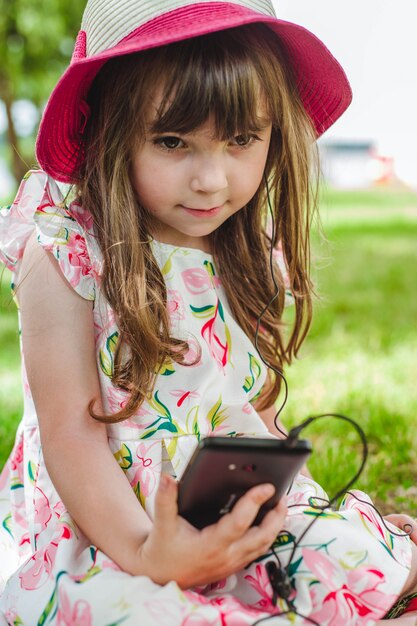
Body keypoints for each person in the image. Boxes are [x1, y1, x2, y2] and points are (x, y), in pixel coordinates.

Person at [0, 0, 416, 624]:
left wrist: (297, 504)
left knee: (345, 561)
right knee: (134, 609)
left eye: (242, 139)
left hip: (219, 501)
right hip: (107, 520)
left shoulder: (247, 249)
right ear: (110, 128)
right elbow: (69, 433)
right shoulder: (67, 250)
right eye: (173, 142)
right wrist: (148, 554)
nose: (212, 180)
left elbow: (248, 408)